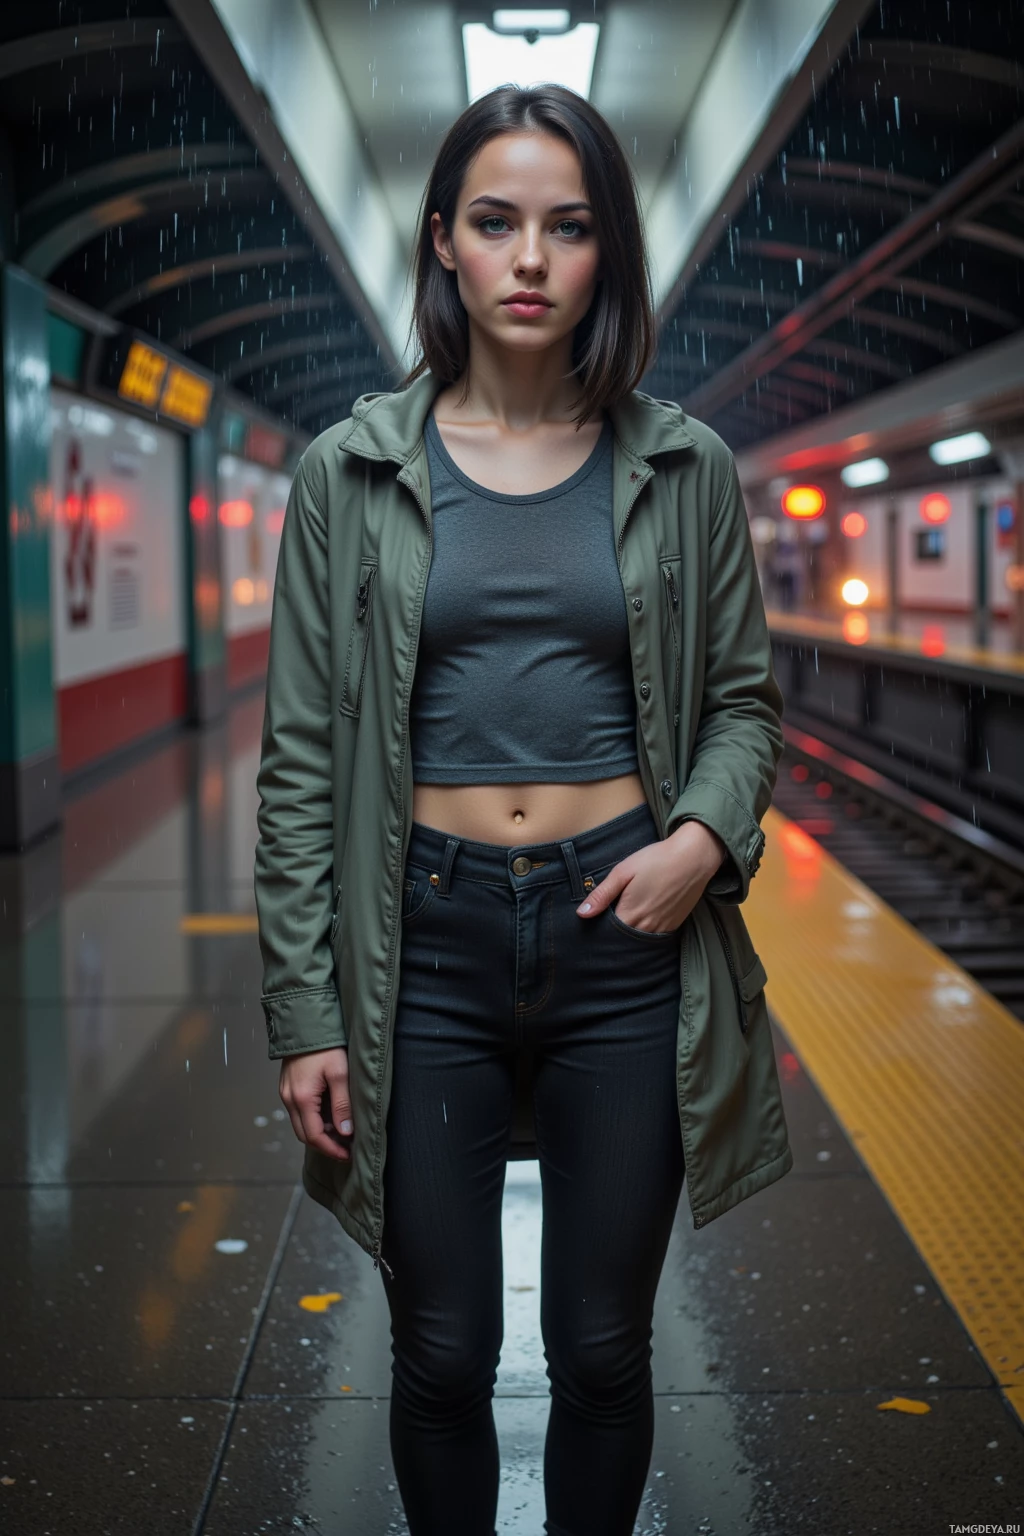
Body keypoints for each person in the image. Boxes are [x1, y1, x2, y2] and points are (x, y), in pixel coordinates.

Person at [254, 84, 792, 1536]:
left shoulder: (684, 470)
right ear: (444, 245)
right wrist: (303, 1010)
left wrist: (699, 843)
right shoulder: (349, 474)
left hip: (630, 933)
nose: (532, 257)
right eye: (496, 223)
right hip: (416, 945)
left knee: (605, 1349)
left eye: (568, 226)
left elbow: (744, 706)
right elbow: (301, 761)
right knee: (440, 1353)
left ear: (608, 252)